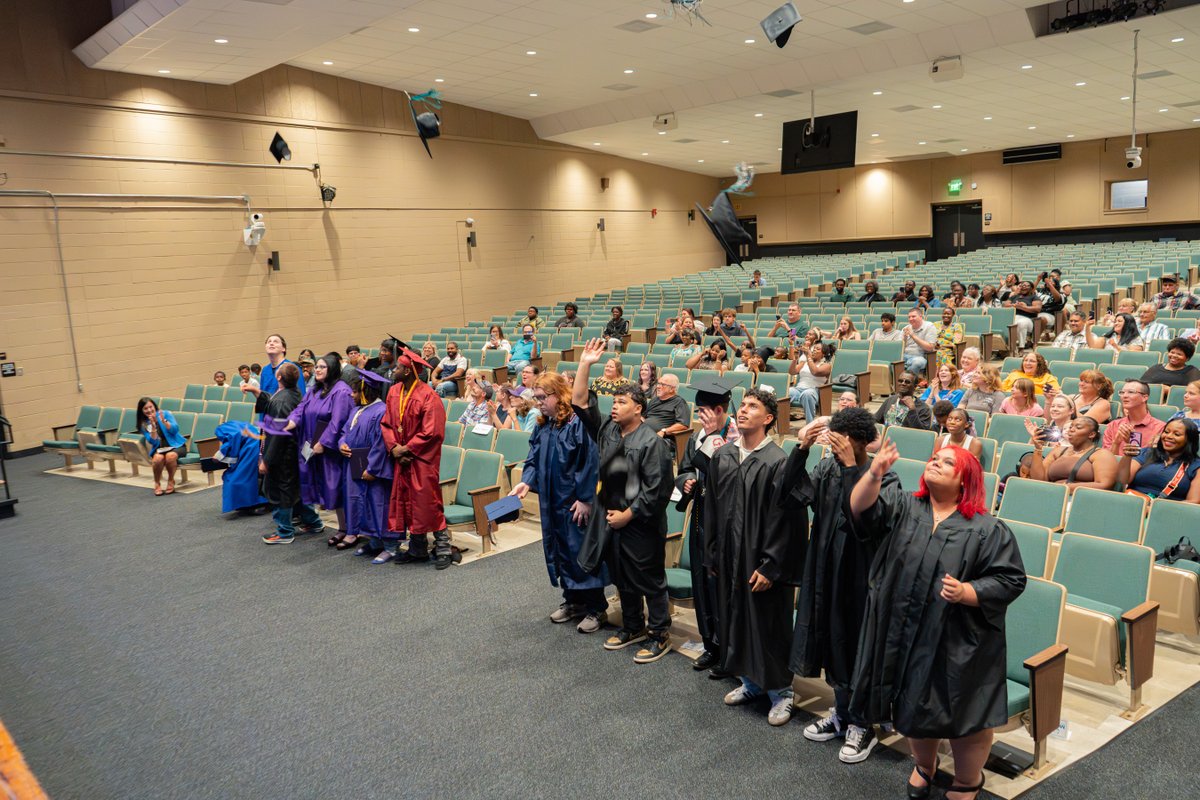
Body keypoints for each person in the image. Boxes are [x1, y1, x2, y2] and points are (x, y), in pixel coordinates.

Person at [848, 441, 1026, 800]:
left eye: (948, 462)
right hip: (901, 627)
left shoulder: (987, 528)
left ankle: (966, 782)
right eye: (934, 458)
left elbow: (1010, 580)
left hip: (958, 637)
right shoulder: (903, 506)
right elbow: (860, 510)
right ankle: (924, 766)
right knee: (912, 699)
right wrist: (874, 472)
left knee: (963, 714)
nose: (936, 463)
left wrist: (967, 592)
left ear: (965, 481)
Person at [789, 409, 894, 760]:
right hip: (824, 567)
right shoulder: (828, 468)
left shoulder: (881, 476)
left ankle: (863, 725)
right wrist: (802, 449)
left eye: (842, 437)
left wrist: (852, 468)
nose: (834, 444)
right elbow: (796, 493)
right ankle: (842, 713)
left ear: (862, 441)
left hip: (858, 576)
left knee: (855, 648)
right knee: (832, 644)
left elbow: (864, 521)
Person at [573, 339, 674, 663]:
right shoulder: (609, 431)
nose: (613, 407)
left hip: (640, 524)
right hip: (610, 519)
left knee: (649, 579)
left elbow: (656, 490)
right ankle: (633, 626)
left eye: (621, 402)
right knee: (622, 577)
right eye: (613, 402)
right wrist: (585, 363)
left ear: (638, 408)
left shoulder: (651, 443)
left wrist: (629, 515)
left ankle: (659, 633)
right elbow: (579, 402)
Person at [706, 388, 803, 726]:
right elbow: (712, 508)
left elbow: (789, 521)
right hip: (731, 556)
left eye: (753, 407)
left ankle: (782, 691)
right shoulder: (724, 456)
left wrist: (771, 565)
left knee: (768, 624)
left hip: (761, 560)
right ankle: (750, 682)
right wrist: (714, 551)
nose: (744, 411)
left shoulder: (777, 461)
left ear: (769, 418)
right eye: (742, 406)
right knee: (735, 616)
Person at [510, 372, 607, 633]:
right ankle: (573, 601)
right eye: (536, 397)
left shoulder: (577, 423)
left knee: (581, 553)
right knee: (559, 549)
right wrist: (526, 481)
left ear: (559, 395)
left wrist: (587, 500)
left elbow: (591, 462)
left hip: (575, 502)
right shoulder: (544, 425)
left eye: (543, 397)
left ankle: (597, 608)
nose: (539, 402)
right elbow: (533, 457)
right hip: (551, 502)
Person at [674, 377, 740, 674]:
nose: (698, 417)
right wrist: (684, 480)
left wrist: (715, 437)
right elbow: (686, 467)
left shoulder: (737, 437)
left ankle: (730, 651)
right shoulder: (698, 436)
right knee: (702, 585)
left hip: (726, 523)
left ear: (719, 409)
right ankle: (710, 645)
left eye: (703, 411)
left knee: (721, 587)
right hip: (701, 516)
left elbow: (726, 474)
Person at [381, 347, 451, 569]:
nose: (395, 370)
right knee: (407, 503)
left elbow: (432, 432)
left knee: (428, 504)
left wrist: (407, 450)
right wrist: (393, 448)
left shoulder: (428, 396)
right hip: (401, 458)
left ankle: (443, 549)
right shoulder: (393, 393)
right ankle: (417, 548)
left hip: (422, 460)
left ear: (410, 370)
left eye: (400, 367)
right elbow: (387, 423)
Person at [248, 363, 324, 544]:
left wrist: (266, 460)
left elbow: (277, 434)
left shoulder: (282, 401)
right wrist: (256, 391)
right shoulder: (295, 393)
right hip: (295, 450)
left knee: (280, 491)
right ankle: (314, 522)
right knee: (294, 489)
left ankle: (285, 532)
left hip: (283, 453)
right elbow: (273, 402)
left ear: (279, 378)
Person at [284, 353, 353, 537]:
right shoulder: (315, 390)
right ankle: (343, 528)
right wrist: (290, 422)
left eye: (322, 367)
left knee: (337, 489)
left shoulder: (341, 391)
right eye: (317, 367)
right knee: (327, 490)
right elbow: (300, 409)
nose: (318, 370)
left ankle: (349, 530)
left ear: (331, 369)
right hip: (313, 448)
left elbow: (338, 421)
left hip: (331, 451)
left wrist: (324, 442)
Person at [337, 368, 396, 559]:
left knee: (379, 505)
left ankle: (390, 546)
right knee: (362, 505)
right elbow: (344, 431)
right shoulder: (356, 410)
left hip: (374, 468)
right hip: (354, 464)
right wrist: (342, 444)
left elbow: (381, 443)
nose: (351, 395)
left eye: (355, 391)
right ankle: (374, 542)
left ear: (365, 391)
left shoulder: (381, 411)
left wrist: (372, 468)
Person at [1116, 418, 1200, 503]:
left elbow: (1193, 501)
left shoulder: (1196, 465)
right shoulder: (1146, 452)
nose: (1169, 436)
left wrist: (1155, 510)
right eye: (1166, 432)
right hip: (1133, 503)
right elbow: (1123, 480)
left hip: (1166, 512)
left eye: (1177, 434)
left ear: (1189, 440)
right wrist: (1127, 456)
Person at [1028, 416, 1117, 490]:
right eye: (1071, 427)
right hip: (1051, 495)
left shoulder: (1102, 454)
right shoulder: (1058, 450)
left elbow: (1104, 485)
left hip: (1080, 500)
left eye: (1078, 427)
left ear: (1091, 434)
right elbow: (1039, 480)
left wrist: (1066, 488)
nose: (1071, 430)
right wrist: (1038, 449)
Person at [135, 397, 186, 496]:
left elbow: (175, 430)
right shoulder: (143, 424)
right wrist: (153, 426)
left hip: (176, 446)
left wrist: (164, 421)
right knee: (157, 459)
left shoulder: (165, 414)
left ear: (154, 406)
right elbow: (152, 442)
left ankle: (171, 481)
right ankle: (157, 483)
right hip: (159, 448)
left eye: (151, 407)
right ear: (141, 411)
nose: (149, 410)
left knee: (170, 456)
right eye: (145, 408)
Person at [1101, 380, 1166, 451]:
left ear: (1144, 397)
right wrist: (1116, 443)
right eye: (1122, 392)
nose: (1124, 396)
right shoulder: (1113, 426)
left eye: (1131, 392)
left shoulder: (1160, 428)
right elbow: (1106, 460)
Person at [643, 374, 692, 454]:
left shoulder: (679, 402)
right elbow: (643, 418)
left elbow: (683, 425)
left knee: (645, 445)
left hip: (665, 440)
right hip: (646, 435)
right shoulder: (654, 400)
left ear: (672, 389)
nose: (658, 387)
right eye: (658, 383)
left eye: (663, 384)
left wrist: (664, 431)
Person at [789, 342, 832, 422]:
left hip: (813, 390)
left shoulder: (826, 365)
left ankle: (809, 424)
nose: (814, 350)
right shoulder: (804, 363)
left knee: (807, 394)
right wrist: (795, 358)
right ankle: (780, 423)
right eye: (814, 348)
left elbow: (815, 372)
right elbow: (792, 372)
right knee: (786, 392)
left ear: (823, 354)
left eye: (818, 349)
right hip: (798, 389)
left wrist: (808, 356)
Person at [258, 334, 305, 398]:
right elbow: (262, 396)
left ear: (283, 348)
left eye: (275, 341)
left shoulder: (292, 368)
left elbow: (301, 396)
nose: (271, 343)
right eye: (269, 342)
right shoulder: (265, 370)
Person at [1005, 280, 1042, 351]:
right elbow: (1005, 304)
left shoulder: (1034, 297)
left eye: (1027, 285)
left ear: (1031, 288)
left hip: (1028, 320)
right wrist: (1015, 305)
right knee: (1010, 322)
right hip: (1013, 317)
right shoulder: (1014, 296)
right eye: (1022, 285)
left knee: (1021, 323)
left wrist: (1024, 307)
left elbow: (1037, 309)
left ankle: (1021, 347)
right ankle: (1006, 347)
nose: (1024, 286)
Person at [901, 309, 937, 376]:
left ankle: (908, 381)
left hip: (920, 356)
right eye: (909, 317)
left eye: (913, 316)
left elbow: (930, 347)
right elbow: (900, 348)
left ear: (921, 316)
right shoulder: (906, 328)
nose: (911, 319)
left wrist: (913, 335)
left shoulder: (929, 326)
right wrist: (904, 338)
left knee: (917, 363)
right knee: (891, 360)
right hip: (905, 355)